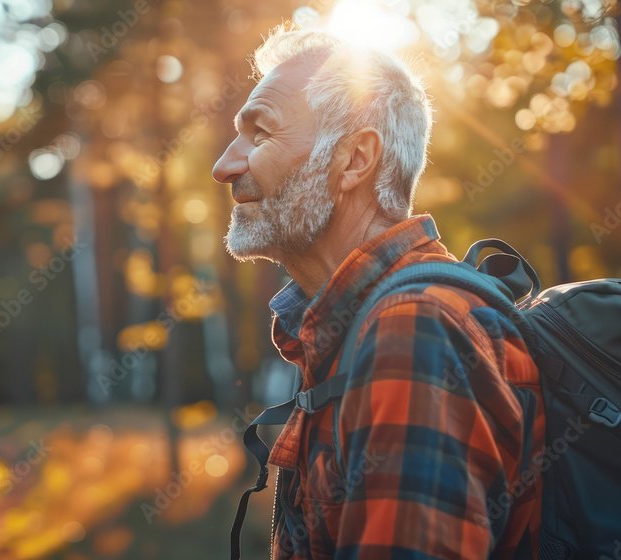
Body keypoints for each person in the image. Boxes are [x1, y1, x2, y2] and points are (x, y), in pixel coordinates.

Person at [212, 27, 545, 560]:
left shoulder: (416, 331)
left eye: (261, 135)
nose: (223, 166)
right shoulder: (365, 325)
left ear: (354, 161)